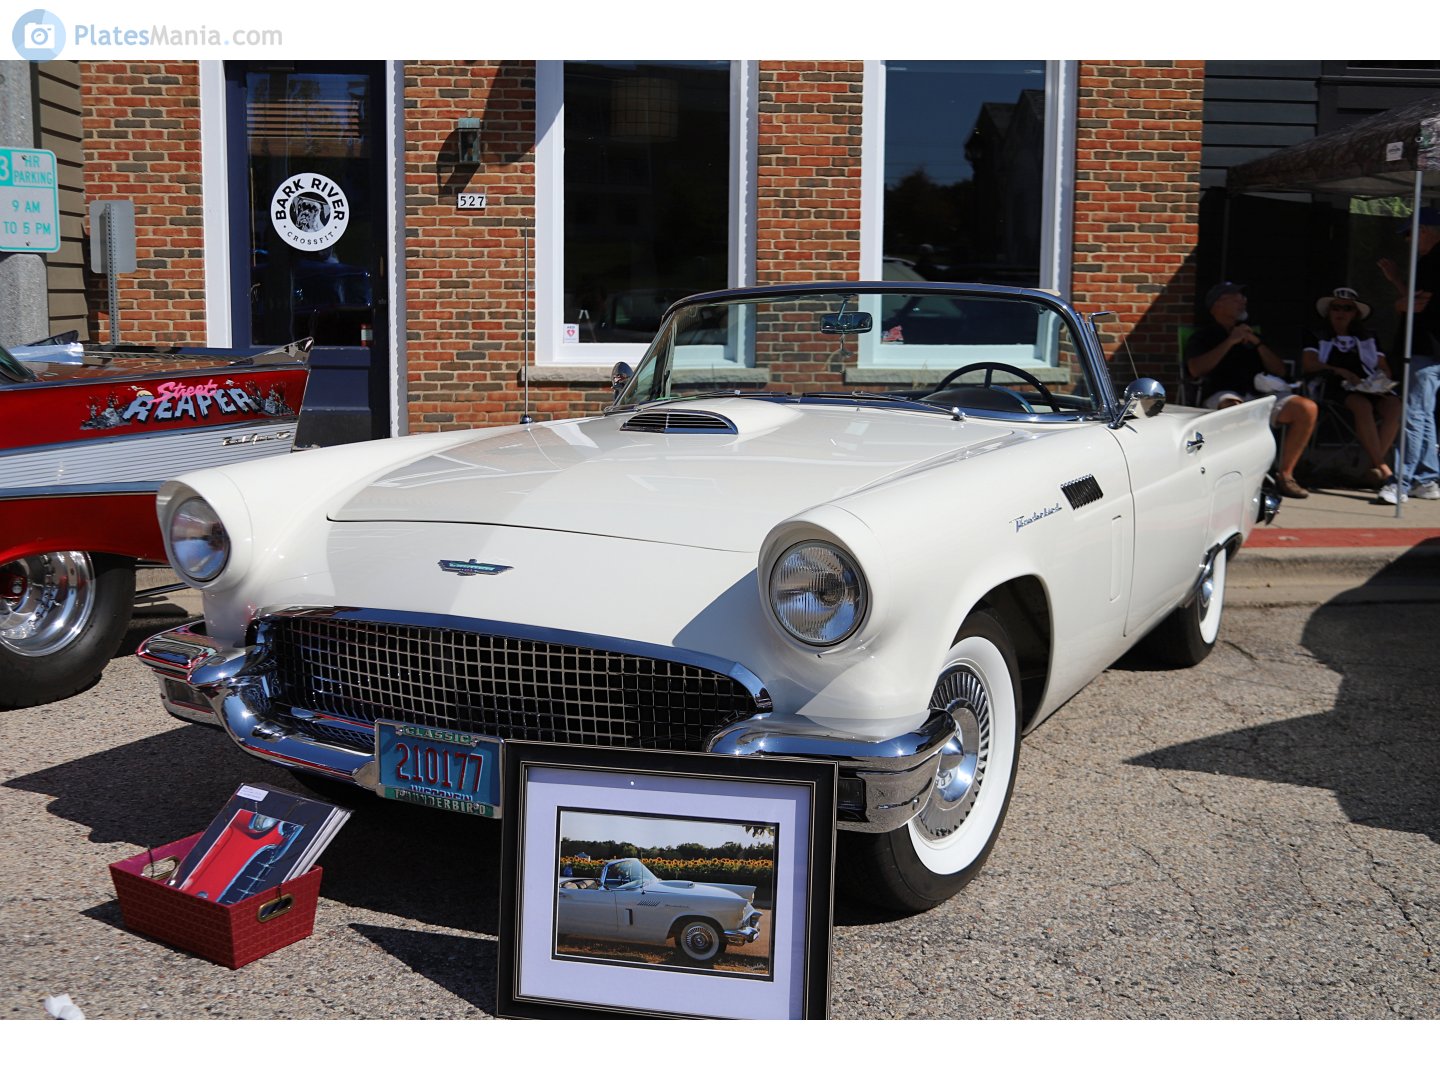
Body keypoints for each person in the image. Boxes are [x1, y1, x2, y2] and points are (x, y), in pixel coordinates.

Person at [1184, 282, 1318, 499]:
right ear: (1218, 304)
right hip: (1223, 394)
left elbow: (1280, 370)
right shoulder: (1204, 336)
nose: (1243, 302)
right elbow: (1196, 369)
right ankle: (1239, 476)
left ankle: (1285, 475)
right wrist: (1230, 341)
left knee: (1306, 408)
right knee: (1234, 408)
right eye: (1236, 298)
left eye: (1243, 298)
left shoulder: (1251, 335)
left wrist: (1256, 343)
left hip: (1259, 395)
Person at [1300, 286, 1402, 488]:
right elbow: (1309, 363)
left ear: (1355, 314)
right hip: (1332, 385)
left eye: (1347, 308)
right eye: (1336, 308)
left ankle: (1374, 467)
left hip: (1367, 385)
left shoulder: (1368, 338)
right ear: (1329, 311)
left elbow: (1384, 368)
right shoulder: (1317, 334)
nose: (1341, 312)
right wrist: (1339, 370)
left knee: (1395, 406)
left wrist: (1379, 381)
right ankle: (1383, 467)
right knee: (1361, 405)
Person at [1376, 208, 1440, 503]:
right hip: (1428, 348)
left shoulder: (1434, 260)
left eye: (1409, 233)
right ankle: (1427, 479)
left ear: (1425, 230)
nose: (1407, 241)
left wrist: (1401, 302)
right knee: (1423, 413)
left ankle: (1402, 481)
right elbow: (1417, 300)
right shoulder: (1428, 262)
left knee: (1414, 413)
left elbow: (1417, 305)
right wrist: (1398, 284)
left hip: (1426, 347)